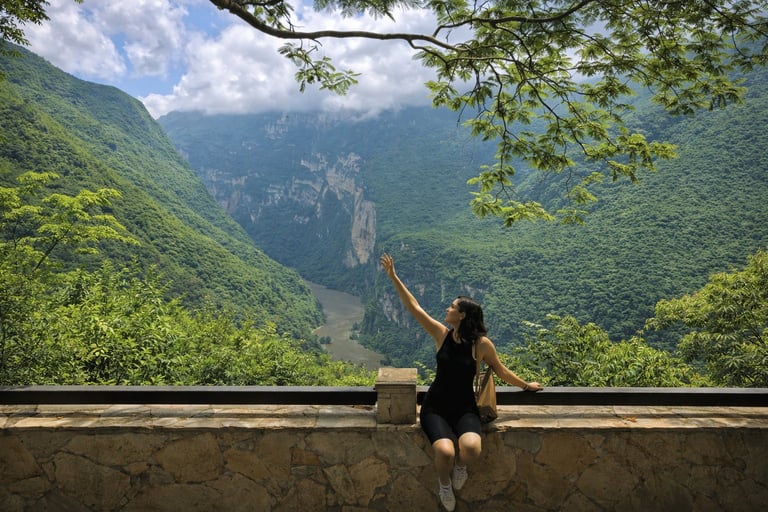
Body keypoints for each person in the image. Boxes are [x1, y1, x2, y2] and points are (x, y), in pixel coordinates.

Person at [380, 253, 543, 511]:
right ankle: (444, 484)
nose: (447, 309)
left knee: (470, 449)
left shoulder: (481, 345)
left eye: (452, 307)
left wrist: (526, 386)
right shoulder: (441, 335)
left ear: (463, 315)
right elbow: (414, 308)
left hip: (465, 407)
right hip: (435, 406)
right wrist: (394, 277)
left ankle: (460, 468)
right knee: (444, 451)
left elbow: (501, 371)